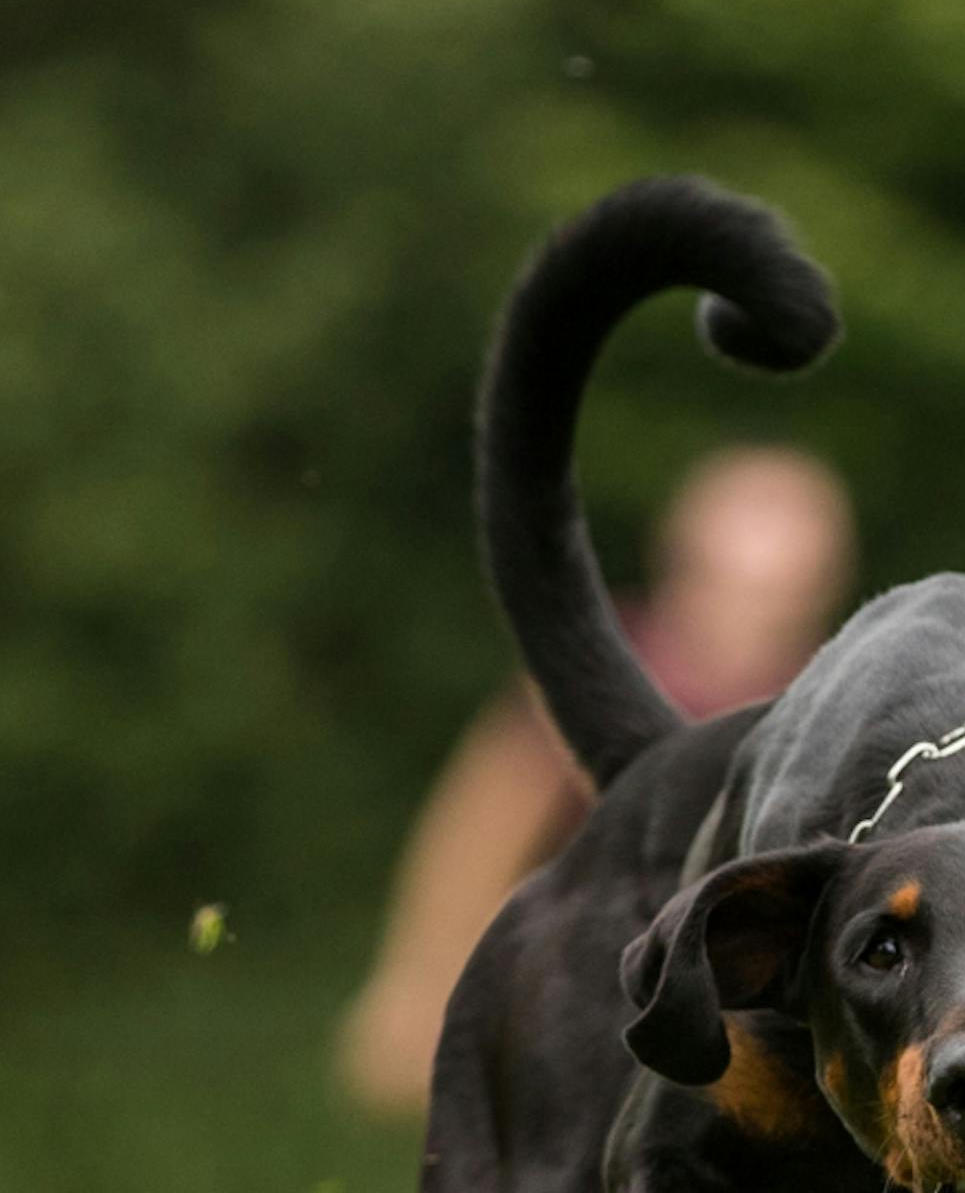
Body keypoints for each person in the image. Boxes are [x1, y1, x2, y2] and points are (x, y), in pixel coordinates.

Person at [336, 445, 857, 1117]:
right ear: (679, 567)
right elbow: (482, 831)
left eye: (782, 599)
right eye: (731, 587)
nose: (749, 622)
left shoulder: (827, 699)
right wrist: (420, 982)